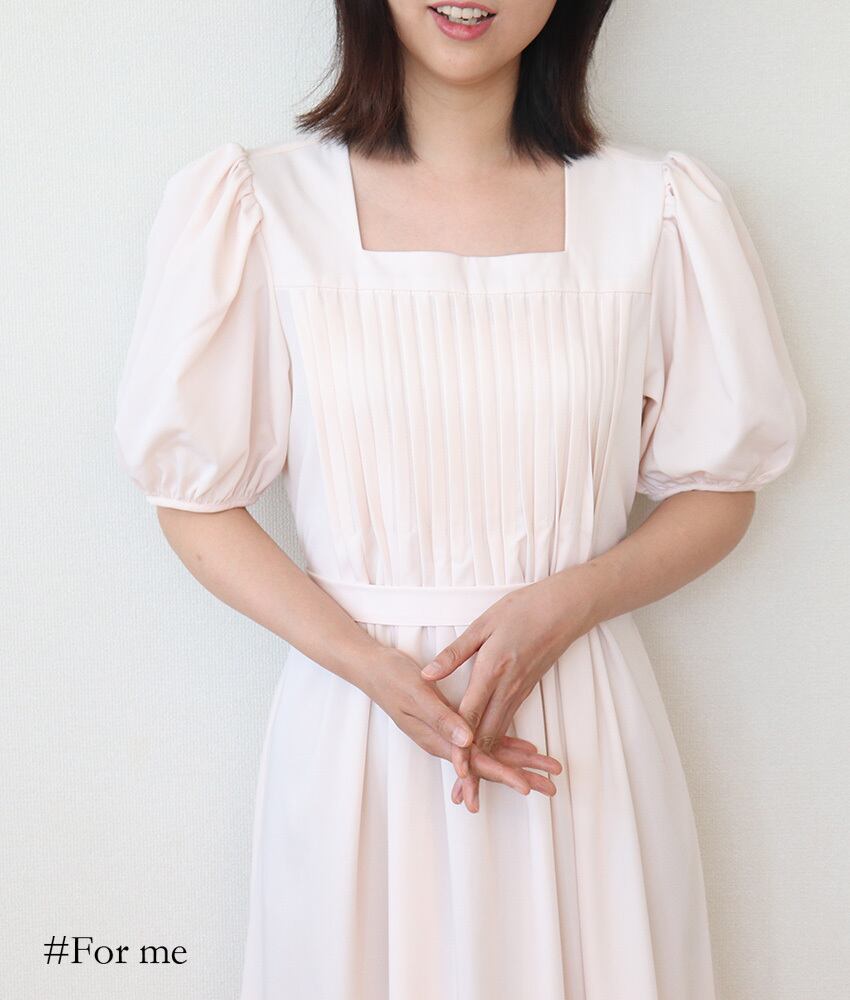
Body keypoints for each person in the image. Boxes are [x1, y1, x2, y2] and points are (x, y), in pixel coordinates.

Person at [113, 1, 807, 997]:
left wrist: (567, 600)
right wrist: (372, 666)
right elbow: (191, 501)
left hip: (575, 723)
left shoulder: (653, 209)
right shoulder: (261, 208)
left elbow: (721, 491)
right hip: (357, 725)